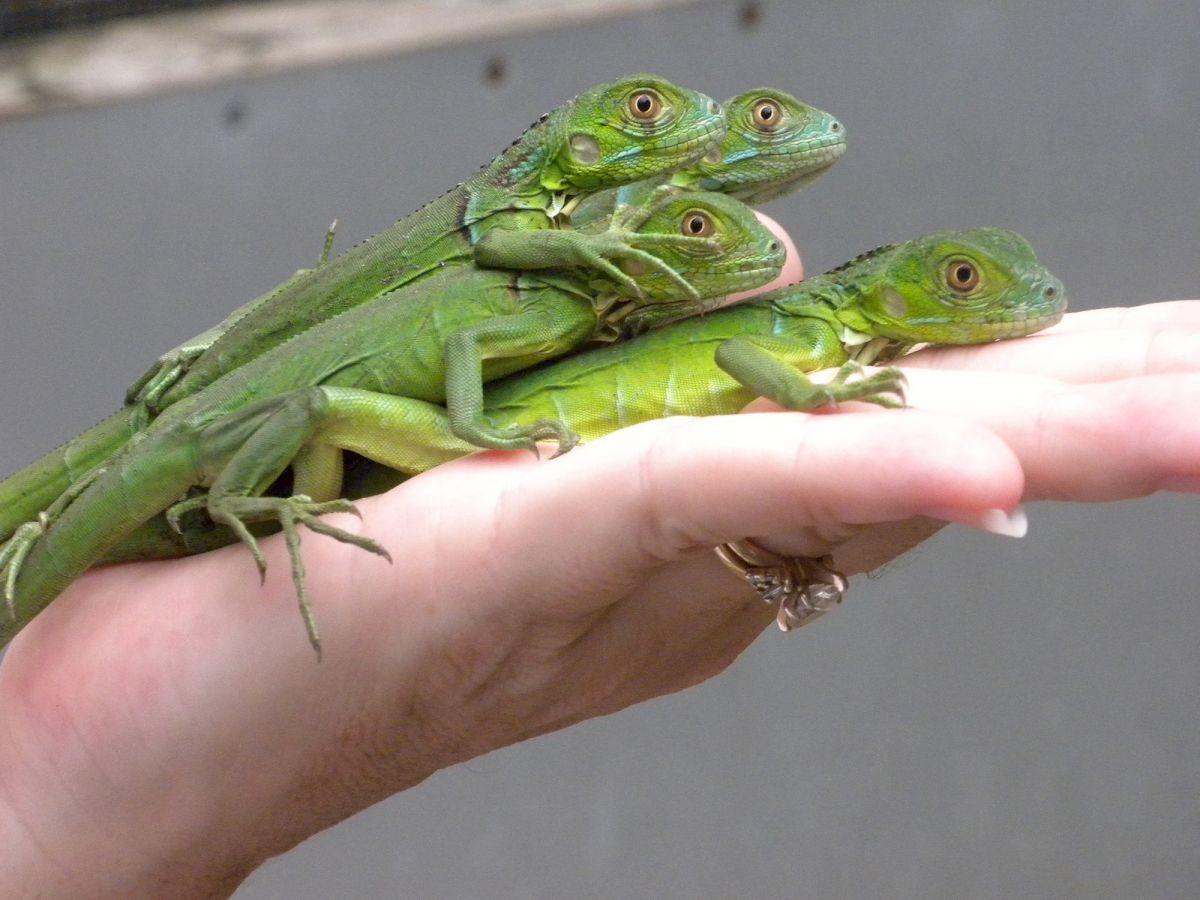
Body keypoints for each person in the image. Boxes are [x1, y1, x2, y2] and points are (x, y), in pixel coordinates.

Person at [1, 217, 1197, 897]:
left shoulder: (823, 326)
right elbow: (743, 373)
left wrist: (69, 819)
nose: (1003, 303)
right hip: (435, 440)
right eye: (966, 287)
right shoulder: (794, 335)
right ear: (903, 290)